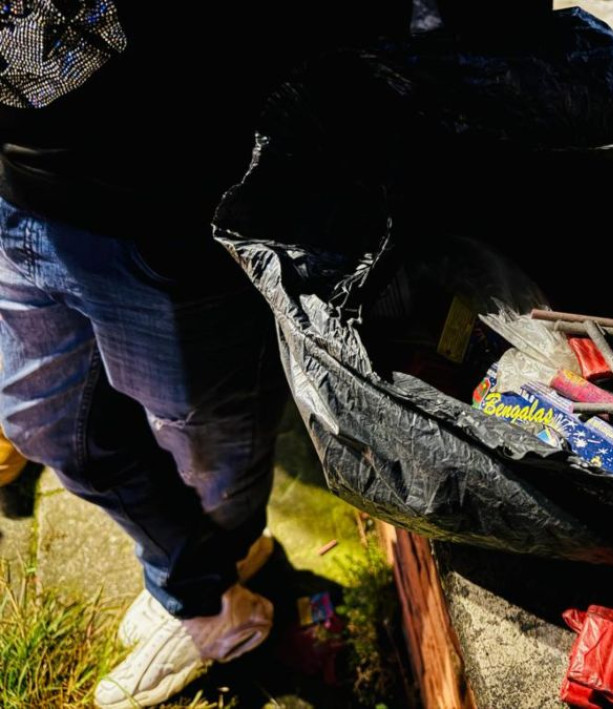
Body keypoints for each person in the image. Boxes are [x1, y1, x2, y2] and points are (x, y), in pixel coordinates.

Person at [0, 2, 406, 706]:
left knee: (208, 450)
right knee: (43, 418)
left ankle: (221, 582)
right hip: (18, 195)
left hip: (171, 216)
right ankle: (204, 589)